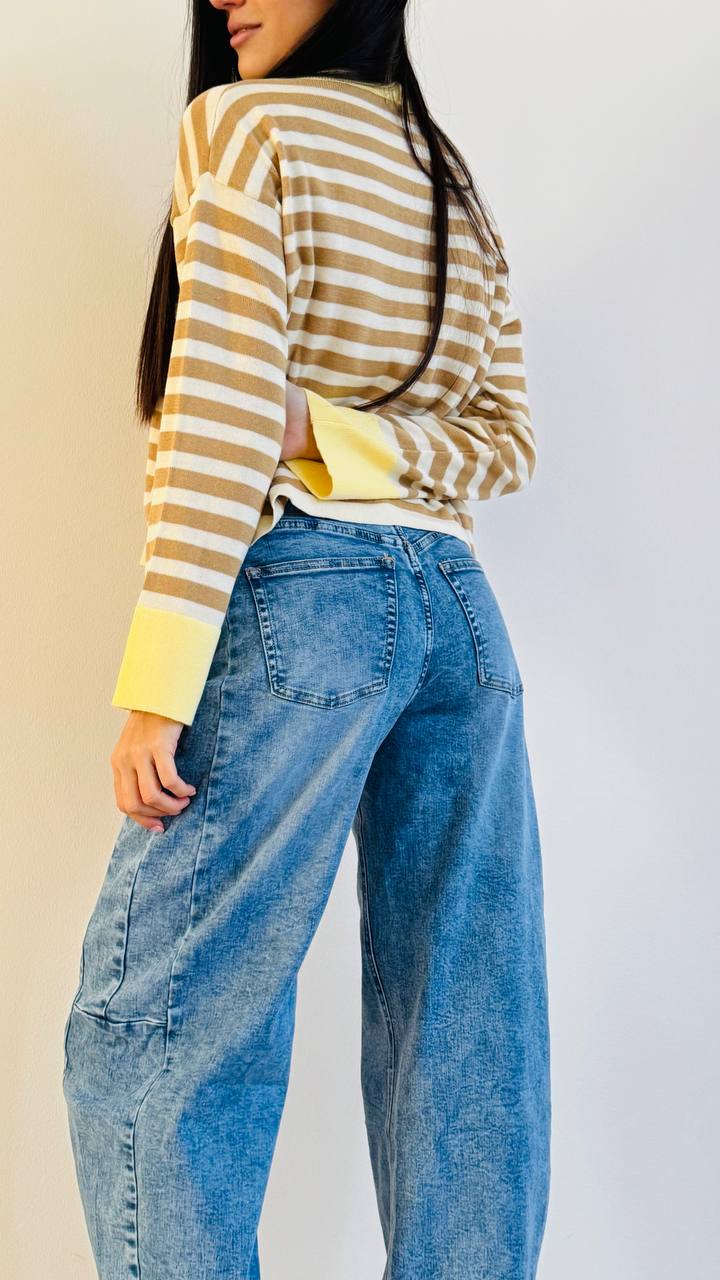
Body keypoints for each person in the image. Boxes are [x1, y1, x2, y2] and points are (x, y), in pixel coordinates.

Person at [61, 2, 552, 1276]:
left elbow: (221, 406)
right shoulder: (451, 185)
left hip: (306, 602)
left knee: (160, 1027)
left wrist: (160, 678)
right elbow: (503, 441)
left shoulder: (243, 127)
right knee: (468, 1037)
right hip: (459, 617)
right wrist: (352, 432)